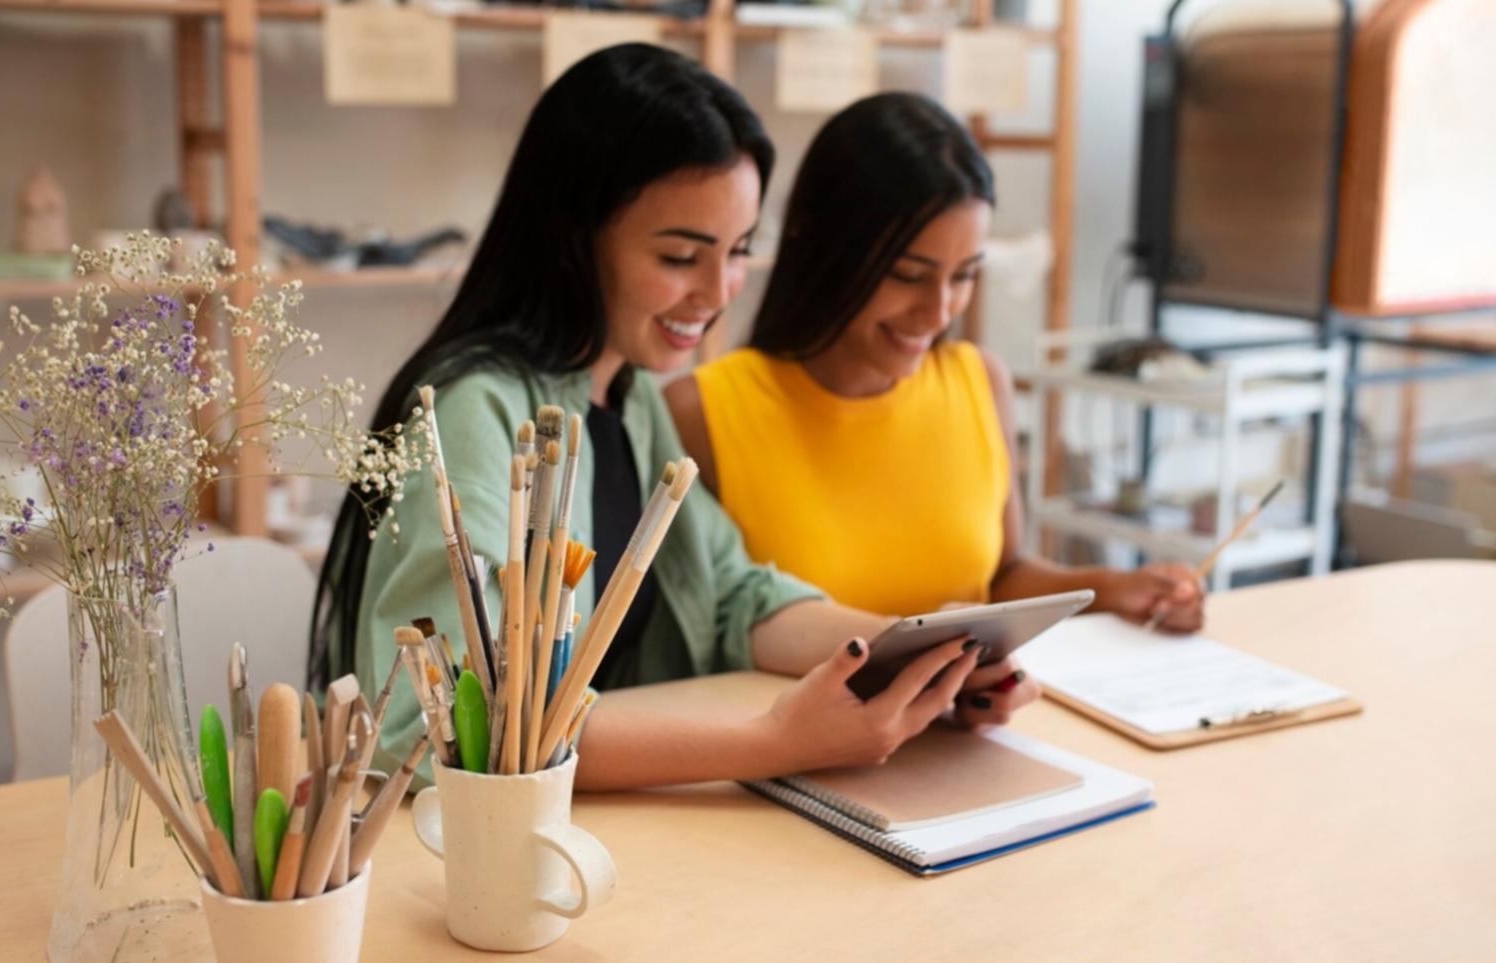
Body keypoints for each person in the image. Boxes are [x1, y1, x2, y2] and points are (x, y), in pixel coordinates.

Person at [311, 48, 1038, 792]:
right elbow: (462, 723)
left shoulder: (627, 397)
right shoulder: (475, 409)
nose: (718, 291)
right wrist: (773, 742)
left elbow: (735, 597)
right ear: (574, 234)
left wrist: (914, 655)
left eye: (739, 251)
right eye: (682, 256)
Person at [666, 92, 1205, 632]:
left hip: (965, 714)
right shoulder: (701, 414)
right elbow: (707, 637)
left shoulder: (978, 381)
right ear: (828, 251)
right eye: (909, 274)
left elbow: (1004, 575)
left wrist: (1117, 589)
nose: (939, 310)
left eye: (965, 274)